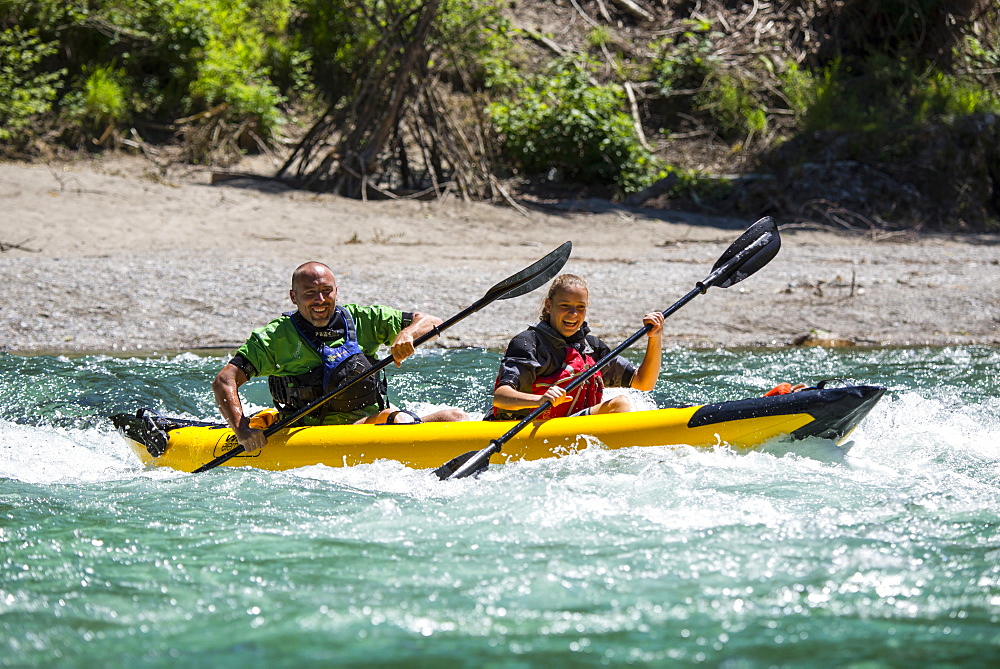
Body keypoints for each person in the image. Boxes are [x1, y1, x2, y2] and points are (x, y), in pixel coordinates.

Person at [213, 261, 468, 453]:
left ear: (337, 290)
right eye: (310, 293)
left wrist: (408, 334)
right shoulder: (274, 338)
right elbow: (225, 380)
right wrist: (241, 428)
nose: (320, 300)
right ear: (293, 297)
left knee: (455, 418)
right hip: (308, 434)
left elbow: (432, 322)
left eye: (326, 291)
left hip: (364, 423)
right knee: (399, 420)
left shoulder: (363, 319)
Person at [490, 274, 664, 420]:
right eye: (565, 306)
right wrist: (538, 400)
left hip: (568, 428)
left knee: (623, 402)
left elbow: (643, 382)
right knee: (620, 404)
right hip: (525, 427)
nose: (573, 314)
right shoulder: (528, 343)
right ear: (549, 306)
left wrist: (655, 338)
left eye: (580, 307)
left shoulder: (591, 347)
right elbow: (500, 396)